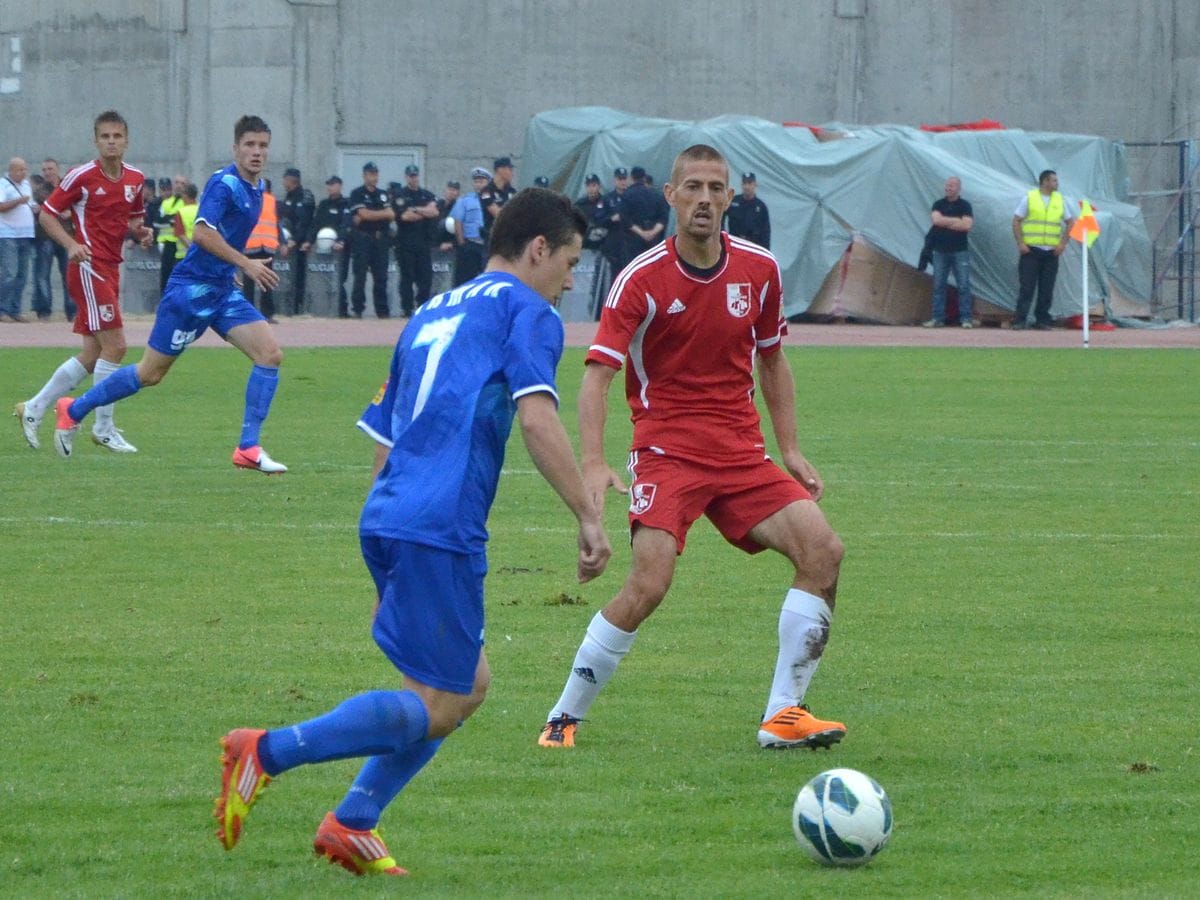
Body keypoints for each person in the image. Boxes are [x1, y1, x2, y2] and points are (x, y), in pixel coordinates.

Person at [212, 187, 611, 877]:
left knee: (466, 684)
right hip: (442, 519)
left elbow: (383, 434)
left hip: (392, 513)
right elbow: (541, 419)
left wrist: (384, 555)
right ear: (538, 249)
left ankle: (352, 822)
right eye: (570, 262)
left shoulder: (431, 309)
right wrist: (588, 514)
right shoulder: (528, 311)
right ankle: (266, 751)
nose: (572, 280)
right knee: (445, 698)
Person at [537, 144, 847, 752]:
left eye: (716, 188)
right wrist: (595, 462)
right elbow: (597, 375)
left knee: (824, 551)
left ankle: (783, 714)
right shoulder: (641, 280)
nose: (705, 199)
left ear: (731, 197)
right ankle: (563, 718)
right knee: (649, 584)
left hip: (740, 453)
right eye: (694, 188)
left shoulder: (759, 270)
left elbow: (774, 359)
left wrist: (790, 448)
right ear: (672, 197)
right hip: (667, 452)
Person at [51, 115, 289, 475]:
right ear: (235, 148)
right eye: (249, 145)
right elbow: (202, 235)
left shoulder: (258, 186)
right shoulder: (224, 184)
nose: (257, 152)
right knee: (150, 374)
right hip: (190, 293)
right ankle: (73, 409)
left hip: (222, 291)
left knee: (270, 355)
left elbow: (222, 239)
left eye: (263, 146)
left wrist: (233, 269)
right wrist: (246, 264)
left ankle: (248, 447)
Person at [16, 111, 153, 453]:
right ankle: (102, 427)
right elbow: (47, 214)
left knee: (94, 353)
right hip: (88, 267)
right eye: (105, 136)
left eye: (117, 136)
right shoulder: (82, 176)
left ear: (126, 140)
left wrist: (142, 232)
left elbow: (134, 218)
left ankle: (34, 407)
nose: (111, 141)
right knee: (117, 347)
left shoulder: (135, 177)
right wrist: (71, 245)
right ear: (96, 140)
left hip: (110, 267)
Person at [1011, 169, 1075, 330]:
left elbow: (1070, 222)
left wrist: (1062, 244)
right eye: (1054, 180)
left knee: (1047, 288)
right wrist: (1021, 243)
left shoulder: (1059, 200)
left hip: (1051, 251)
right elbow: (1016, 220)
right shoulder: (1030, 198)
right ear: (1045, 181)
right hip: (1031, 250)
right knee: (1027, 287)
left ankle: (1042, 320)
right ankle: (1020, 320)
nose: (1057, 183)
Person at [922, 175, 975, 328]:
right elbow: (936, 221)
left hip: (960, 251)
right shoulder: (938, 204)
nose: (948, 188)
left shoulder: (965, 205)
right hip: (940, 251)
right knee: (938, 285)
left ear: (959, 188)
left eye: (952, 185)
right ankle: (937, 318)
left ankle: (966, 319)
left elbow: (967, 226)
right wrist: (956, 221)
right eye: (947, 185)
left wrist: (946, 221)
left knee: (963, 285)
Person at [391, 164, 438, 317]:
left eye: (415, 175)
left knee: (425, 278)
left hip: (423, 243)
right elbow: (405, 216)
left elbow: (434, 212)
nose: (414, 178)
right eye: (411, 176)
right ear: (406, 177)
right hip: (405, 243)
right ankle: (407, 309)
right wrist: (425, 211)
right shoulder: (400, 195)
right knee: (407, 278)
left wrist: (416, 209)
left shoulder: (427, 194)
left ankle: (422, 307)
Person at [349, 161, 394, 318]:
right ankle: (358, 310)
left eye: (375, 174)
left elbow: (391, 214)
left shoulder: (383, 194)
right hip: (363, 239)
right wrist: (378, 214)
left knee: (381, 277)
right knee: (360, 276)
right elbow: (363, 214)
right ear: (364, 175)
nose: (373, 177)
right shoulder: (357, 193)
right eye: (370, 174)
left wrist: (370, 214)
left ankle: (382, 311)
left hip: (380, 240)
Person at [304, 174, 353, 317]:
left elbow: (346, 224)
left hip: (339, 250)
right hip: (322, 249)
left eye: (333, 185)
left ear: (339, 186)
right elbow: (316, 224)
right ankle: (322, 309)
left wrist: (341, 240)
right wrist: (309, 241)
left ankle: (341, 310)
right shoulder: (324, 204)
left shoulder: (346, 203)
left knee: (339, 279)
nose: (330, 188)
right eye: (329, 185)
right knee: (322, 277)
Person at [32, 159, 74, 321]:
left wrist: (70, 212)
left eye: (50, 168)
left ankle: (72, 311)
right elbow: (43, 208)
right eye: (44, 170)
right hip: (45, 237)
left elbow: (78, 205)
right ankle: (44, 311)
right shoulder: (40, 190)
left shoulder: (68, 187)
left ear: (57, 169)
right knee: (42, 275)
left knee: (69, 274)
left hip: (66, 236)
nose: (47, 172)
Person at [242, 178, 286, 323]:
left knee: (263, 281)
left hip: (262, 245)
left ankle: (261, 314)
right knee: (253, 282)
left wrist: (283, 241)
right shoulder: (250, 198)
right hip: (257, 245)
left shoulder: (270, 201)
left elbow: (276, 223)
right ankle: (255, 314)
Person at [0, 157, 36, 323]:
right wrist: (18, 202)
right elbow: (1, 206)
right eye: (20, 169)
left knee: (22, 274)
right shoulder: (3, 184)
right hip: (8, 234)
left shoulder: (27, 185)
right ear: (12, 170)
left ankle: (16, 309)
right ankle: (3, 310)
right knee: (10, 273)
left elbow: (31, 203)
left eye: (24, 169)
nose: (23, 173)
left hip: (26, 234)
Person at [279, 167, 315, 315]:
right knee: (288, 277)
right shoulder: (288, 197)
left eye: (285, 179)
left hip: (300, 244)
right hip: (288, 242)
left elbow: (305, 222)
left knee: (299, 277)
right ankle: (289, 307)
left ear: (290, 180)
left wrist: (294, 240)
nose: (283, 182)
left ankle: (298, 307)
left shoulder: (305, 197)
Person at [450, 167, 489, 286]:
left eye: (481, 182)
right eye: (476, 182)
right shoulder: (465, 200)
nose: (478, 185)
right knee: (465, 281)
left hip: (488, 245)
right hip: (471, 244)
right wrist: (462, 243)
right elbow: (458, 221)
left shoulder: (494, 200)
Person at [620, 165, 667, 261]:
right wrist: (653, 232)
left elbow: (624, 219)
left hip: (633, 241)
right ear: (644, 178)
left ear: (631, 178)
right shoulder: (656, 195)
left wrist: (641, 233)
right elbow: (663, 218)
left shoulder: (626, 195)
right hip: (653, 240)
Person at [156, 174, 188, 290]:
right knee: (165, 276)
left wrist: (171, 219)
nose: (179, 186)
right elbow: (157, 222)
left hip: (183, 246)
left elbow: (183, 221)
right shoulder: (166, 203)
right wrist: (173, 219)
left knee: (181, 278)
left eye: (182, 184)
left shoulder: (187, 203)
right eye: (177, 183)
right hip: (168, 245)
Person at [726, 171, 771, 250]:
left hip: (752, 247)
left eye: (749, 183)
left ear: (755, 185)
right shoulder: (733, 201)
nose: (747, 186)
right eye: (744, 183)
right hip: (734, 245)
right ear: (741, 185)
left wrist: (765, 251)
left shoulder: (761, 207)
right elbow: (720, 217)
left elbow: (766, 232)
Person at [479, 156, 517, 246]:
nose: (512, 173)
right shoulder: (486, 191)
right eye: (510, 169)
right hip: (493, 238)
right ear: (500, 170)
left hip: (509, 238)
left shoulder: (512, 191)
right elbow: (498, 214)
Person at [575, 173, 607, 251]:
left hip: (602, 245)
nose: (591, 189)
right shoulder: (580, 204)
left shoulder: (606, 202)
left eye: (593, 185)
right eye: (588, 186)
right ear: (586, 187)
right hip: (583, 245)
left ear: (599, 186)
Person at [433, 180, 460, 252]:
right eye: (449, 189)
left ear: (458, 193)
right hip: (434, 246)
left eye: (454, 190)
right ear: (445, 191)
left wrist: (452, 244)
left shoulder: (460, 208)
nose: (451, 192)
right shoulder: (436, 205)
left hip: (450, 247)